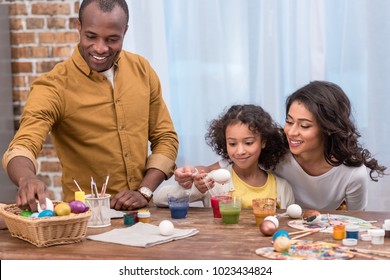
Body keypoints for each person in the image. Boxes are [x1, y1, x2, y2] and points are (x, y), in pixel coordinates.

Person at [1, 0, 178, 212]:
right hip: (86, 221)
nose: (100, 48)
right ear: (79, 27)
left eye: (112, 39)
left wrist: (144, 192)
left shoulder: (142, 70)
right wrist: (26, 178)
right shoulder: (54, 86)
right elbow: (23, 145)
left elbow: (165, 138)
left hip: (143, 215)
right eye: (91, 36)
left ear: (125, 32)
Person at [272, 80, 386, 210]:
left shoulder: (352, 173)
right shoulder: (275, 154)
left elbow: (358, 222)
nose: (291, 132)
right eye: (289, 121)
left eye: (304, 126)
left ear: (328, 128)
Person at [154, 104, 295, 209]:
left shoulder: (282, 187)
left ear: (263, 142)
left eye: (248, 142)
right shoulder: (213, 182)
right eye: (232, 144)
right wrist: (197, 189)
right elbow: (159, 199)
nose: (240, 151)